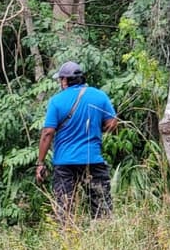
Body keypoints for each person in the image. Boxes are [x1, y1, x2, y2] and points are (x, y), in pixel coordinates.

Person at [36, 61, 118, 223]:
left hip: (65, 163)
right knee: (102, 209)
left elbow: (48, 133)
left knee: (64, 210)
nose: (60, 83)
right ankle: (104, 240)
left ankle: (67, 242)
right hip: (92, 160)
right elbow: (113, 123)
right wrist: (96, 130)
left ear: (65, 80)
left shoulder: (56, 101)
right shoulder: (99, 96)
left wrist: (40, 162)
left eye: (60, 80)